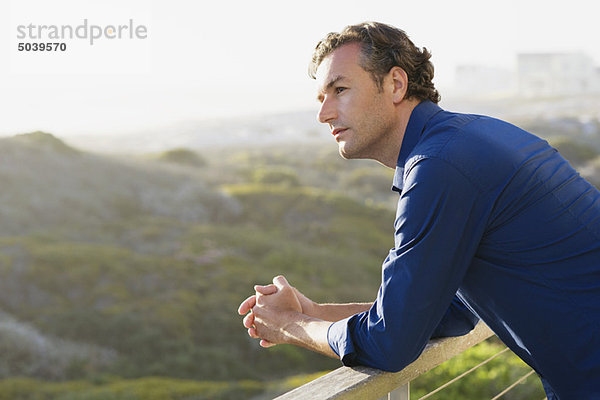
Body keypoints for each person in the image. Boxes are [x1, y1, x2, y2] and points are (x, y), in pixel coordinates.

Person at [237, 21, 600, 399]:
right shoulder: (470, 139)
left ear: (396, 84)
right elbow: (447, 312)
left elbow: (389, 344)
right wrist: (313, 313)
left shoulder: (441, 167)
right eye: (320, 98)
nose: (324, 114)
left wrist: (290, 326)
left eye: (340, 90)